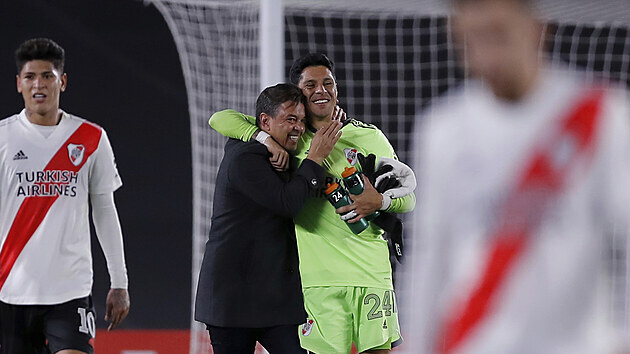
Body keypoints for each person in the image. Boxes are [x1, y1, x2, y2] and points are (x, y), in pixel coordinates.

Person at [406, 0, 630, 353]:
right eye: (472, 36)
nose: (486, 51)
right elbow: (430, 256)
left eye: (498, 34)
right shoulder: (443, 128)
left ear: (537, 29)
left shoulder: (600, 113)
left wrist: (622, 335)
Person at [209, 53, 416, 353]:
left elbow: (408, 196)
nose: (321, 90)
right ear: (299, 94)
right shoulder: (290, 138)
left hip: (372, 275)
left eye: (328, 83)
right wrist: (263, 138)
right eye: (310, 85)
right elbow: (220, 119)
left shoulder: (369, 136)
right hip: (319, 285)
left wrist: (380, 200)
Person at [0, 38, 130, 354]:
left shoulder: (91, 138)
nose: (39, 84)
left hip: (70, 290)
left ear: (63, 81)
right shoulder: (3, 137)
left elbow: (104, 209)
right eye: (30, 77)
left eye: (47, 76)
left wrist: (120, 281)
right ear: (19, 84)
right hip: (11, 291)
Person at [195, 83, 341, 353]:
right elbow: (288, 203)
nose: (298, 127)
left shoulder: (284, 149)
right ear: (265, 121)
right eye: (290, 119)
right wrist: (316, 157)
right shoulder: (245, 156)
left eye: (301, 120)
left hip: (276, 300)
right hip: (234, 301)